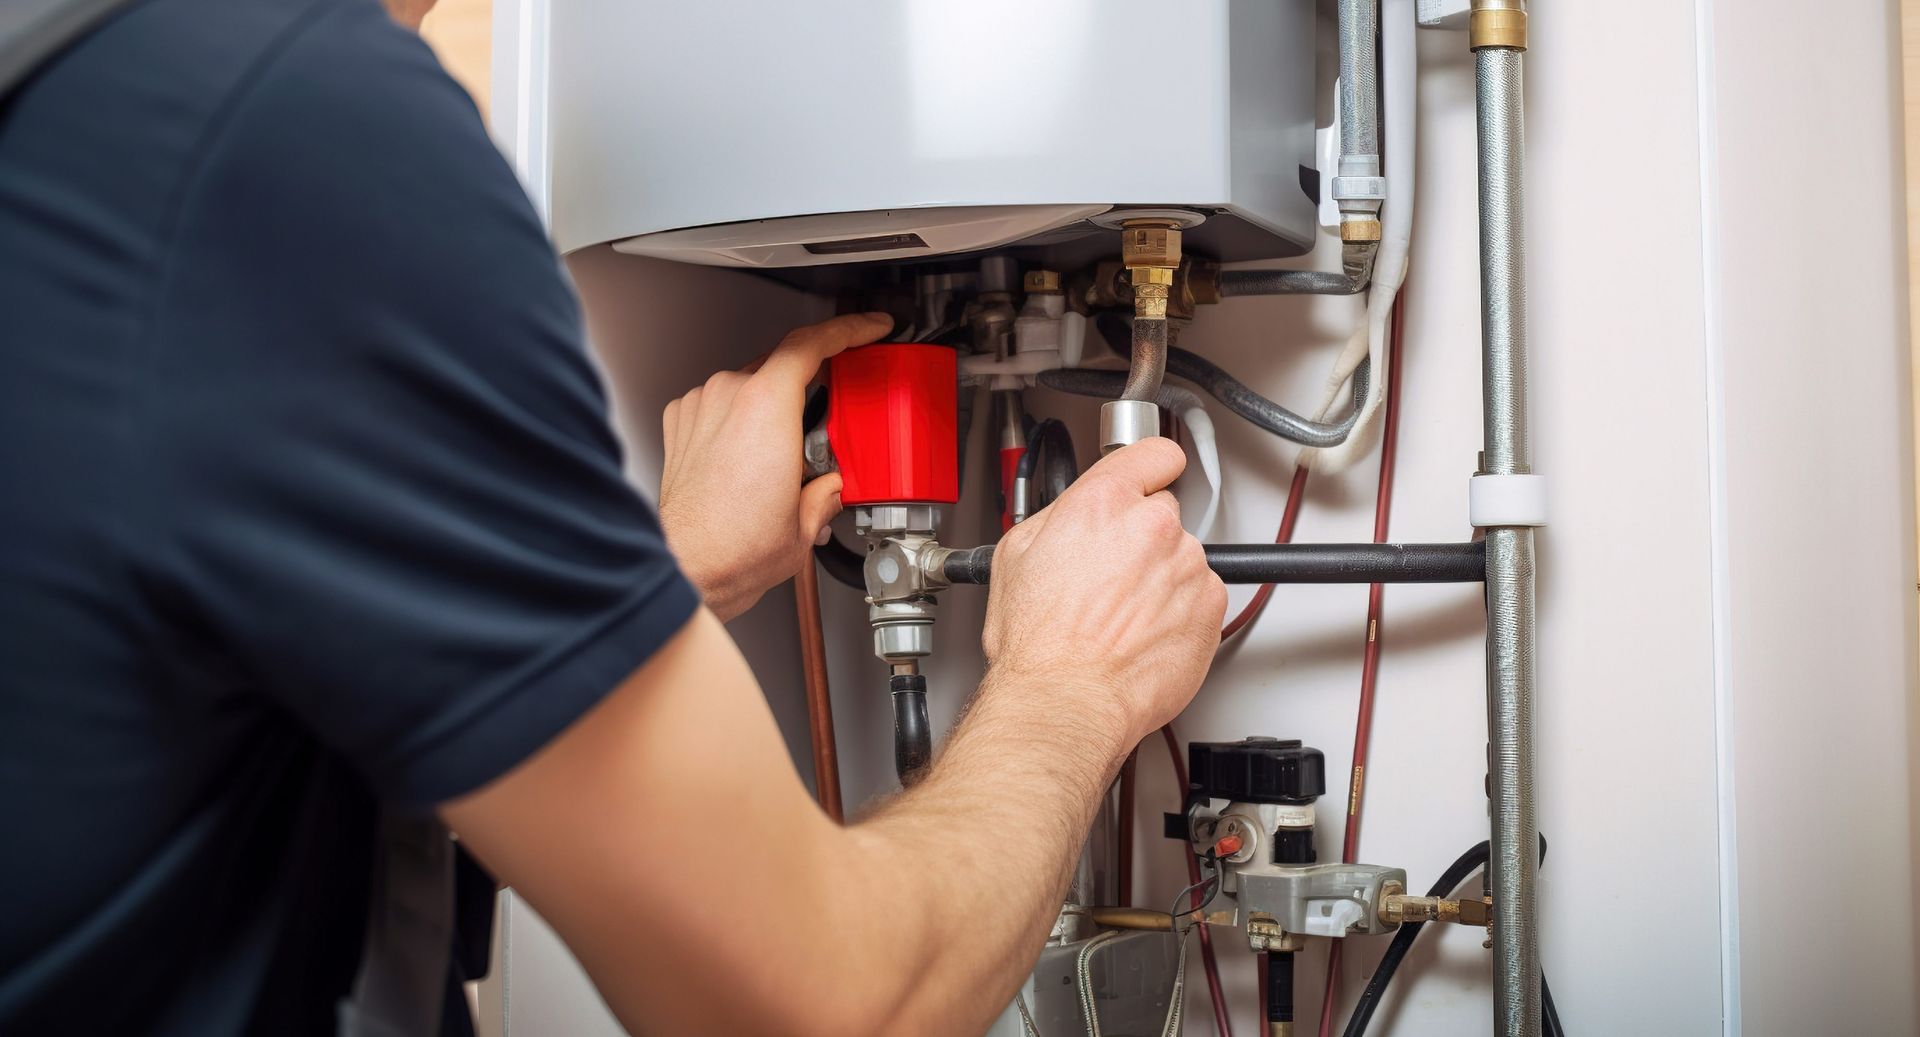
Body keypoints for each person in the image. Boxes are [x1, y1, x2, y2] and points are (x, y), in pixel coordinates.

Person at [0, 0, 1227, 1033]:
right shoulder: (280, 136)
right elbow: (827, 1000)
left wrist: (652, 579)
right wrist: (1071, 683)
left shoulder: (80, 98)